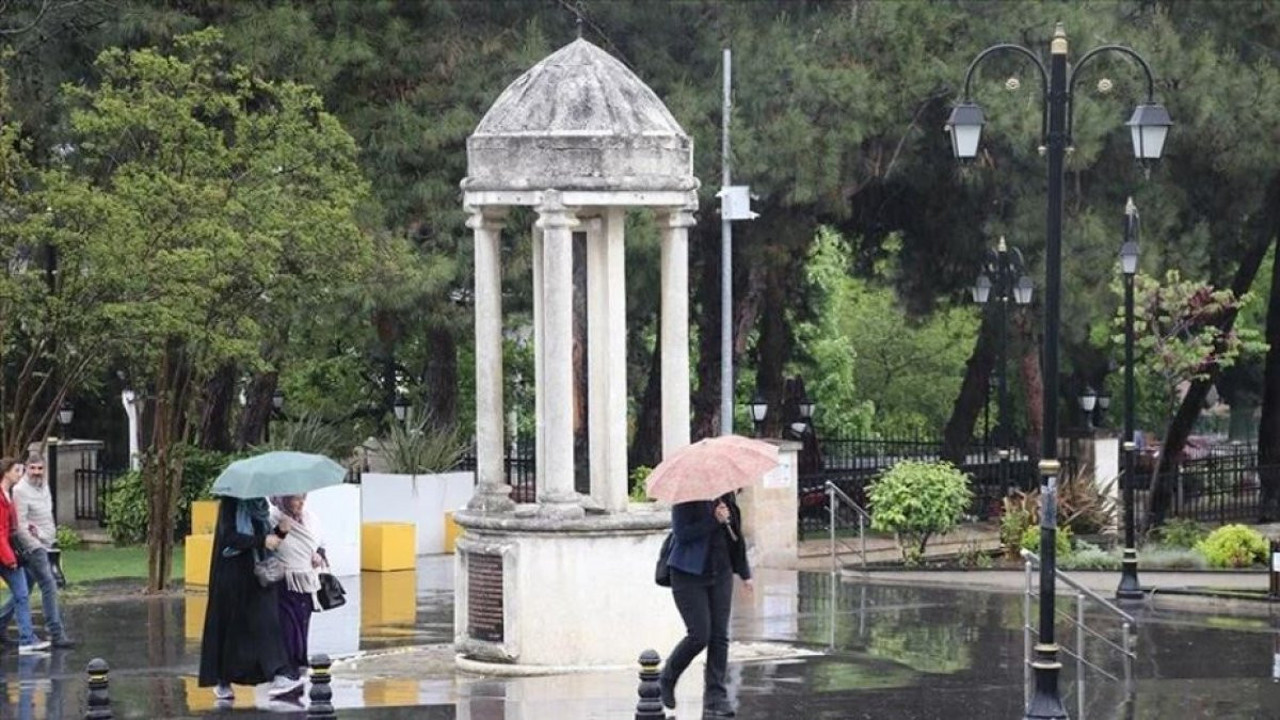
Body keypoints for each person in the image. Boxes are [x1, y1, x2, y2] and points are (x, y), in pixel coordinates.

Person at [197, 496, 303, 701]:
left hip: (257, 576)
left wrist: (281, 531)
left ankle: (279, 675)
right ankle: (223, 680)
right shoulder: (231, 504)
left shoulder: (260, 507)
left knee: (267, 623)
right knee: (231, 630)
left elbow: (268, 541)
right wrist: (263, 540)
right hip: (231, 576)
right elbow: (229, 537)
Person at [659, 491, 752, 718]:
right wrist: (713, 520)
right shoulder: (685, 498)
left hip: (720, 573)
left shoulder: (727, 499)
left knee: (720, 636)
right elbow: (682, 534)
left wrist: (745, 573)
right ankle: (667, 678)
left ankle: (715, 696)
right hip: (688, 573)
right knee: (700, 634)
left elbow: (736, 538)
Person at [11, 453, 74, 648]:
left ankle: (1, 623)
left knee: (24, 590)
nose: (36, 472)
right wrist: (33, 545)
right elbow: (20, 524)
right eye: (33, 468)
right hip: (34, 546)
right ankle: (56, 633)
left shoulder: (44, 485)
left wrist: (48, 539)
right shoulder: (20, 491)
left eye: (40, 468)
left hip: (47, 542)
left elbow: (45, 514)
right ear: (26, 468)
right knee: (49, 585)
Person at [269, 494, 325, 679]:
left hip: (306, 578)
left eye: (303, 497)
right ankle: (288, 666)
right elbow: (270, 544)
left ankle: (300, 661)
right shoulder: (273, 517)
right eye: (296, 498)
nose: (301, 503)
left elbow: (319, 543)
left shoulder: (310, 518)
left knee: (303, 620)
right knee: (288, 624)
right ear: (284, 499)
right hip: (285, 579)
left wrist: (318, 554)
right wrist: (282, 529)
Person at [0, 459, 49, 653]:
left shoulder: (8, 495)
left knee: (22, 591)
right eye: (16, 470)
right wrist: (10, 558)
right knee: (21, 594)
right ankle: (27, 640)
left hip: (7, 551)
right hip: (5, 554)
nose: (20, 474)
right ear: (6, 472)